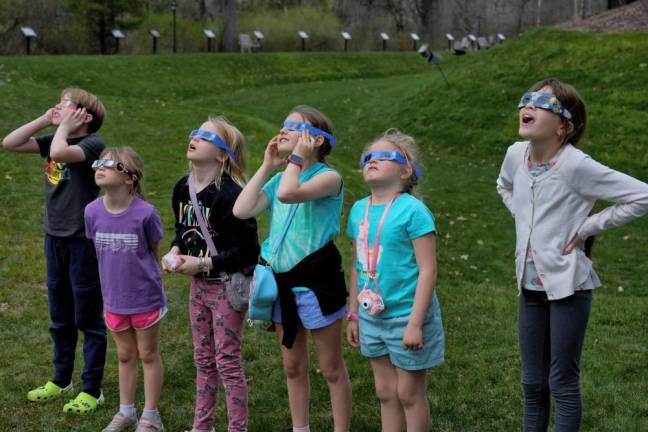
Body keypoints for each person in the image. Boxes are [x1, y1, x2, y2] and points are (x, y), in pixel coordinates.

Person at [496, 78, 648, 431]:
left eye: (542, 103)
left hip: (569, 289)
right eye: (526, 99)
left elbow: (641, 195)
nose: (528, 106)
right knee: (532, 384)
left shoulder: (576, 165)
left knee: (561, 383)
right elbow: (503, 185)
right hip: (529, 289)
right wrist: (523, 215)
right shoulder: (514, 155)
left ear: (564, 127)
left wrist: (586, 227)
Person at [233, 106, 351, 432]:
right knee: (292, 366)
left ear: (315, 140)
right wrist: (267, 165)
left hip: (317, 282)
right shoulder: (280, 177)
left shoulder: (329, 178)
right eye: (283, 124)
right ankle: (301, 428)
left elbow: (289, 193)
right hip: (282, 282)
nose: (283, 130)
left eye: (293, 127)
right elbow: (242, 209)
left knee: (330, 367)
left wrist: (296, 158)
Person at [2, 88, 108, 414]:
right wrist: (46, 120)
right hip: (55, 239)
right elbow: (10, 142)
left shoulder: (92, 145)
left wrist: (60, 128)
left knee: (87, 317)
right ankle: (62, 379)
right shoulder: (56, 139)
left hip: (82, 242)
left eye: (67, 104)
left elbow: (61, 154)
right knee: (59, 316)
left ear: (84, 117)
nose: (59, 107)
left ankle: (92, 389)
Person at [162, 116, 259, 432]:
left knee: (227, 362)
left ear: (222, 154)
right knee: (203, 361)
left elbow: (246, 253)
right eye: (196, 132)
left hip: (226, 288)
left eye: (206, 136)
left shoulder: (232, 195)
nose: (195, 137)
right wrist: (175, 252)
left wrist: (202, 264)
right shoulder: (182, 187)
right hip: (198, 288)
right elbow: (184, 232)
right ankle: (201, 426)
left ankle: (237, 428)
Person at [346, 129, 445, 432]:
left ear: (406, 170)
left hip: (406, 316)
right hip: (371, 316)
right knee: (385, 391)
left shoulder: (413, 211)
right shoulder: (359, 209)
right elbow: (357, 264)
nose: (372, 161)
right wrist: (353, 314)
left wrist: (415, 323)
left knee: (409, 393)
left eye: (383, 156)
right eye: (368, 158)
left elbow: (428, 270)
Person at [85, 147, 166, 431]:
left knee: (148, 354)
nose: (100, 167)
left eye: (110, 164)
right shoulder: (91, 211)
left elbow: (153, 251)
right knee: (123, 355)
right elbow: (99, 254)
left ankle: (151, 416)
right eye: (99, 163)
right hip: (113, 299)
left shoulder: (145, 213)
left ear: (129, 178)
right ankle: (126, 412)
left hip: (145, 298)